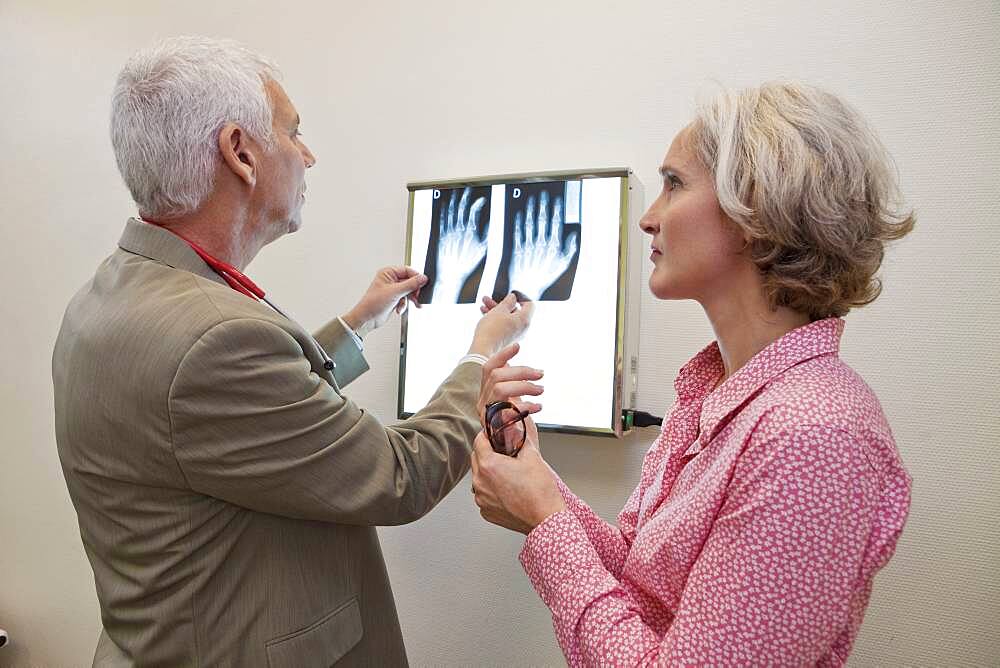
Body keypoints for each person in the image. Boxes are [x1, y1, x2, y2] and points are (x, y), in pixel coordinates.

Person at [52, 36, 536, 667]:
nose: (308, 155)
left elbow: (244, 428)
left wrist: (356, 325)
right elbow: (398, 476)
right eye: (294, 132)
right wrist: (482, 357)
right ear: (241, 153)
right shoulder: (213, 342)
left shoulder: (112, 294)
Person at [471, 82, 914, 665]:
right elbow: (641, 579)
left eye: (674, 184)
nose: (648, 219)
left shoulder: (814, 436)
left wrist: (544, 519)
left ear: (756, 207)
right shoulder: (718, 393)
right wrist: (535, 485)